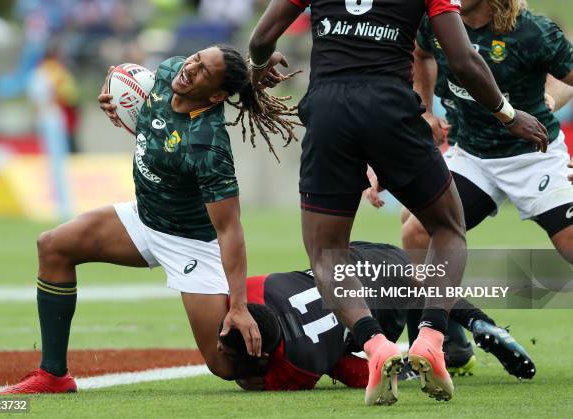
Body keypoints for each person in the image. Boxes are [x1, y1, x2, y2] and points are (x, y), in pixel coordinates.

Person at [248, 0, 548, 404]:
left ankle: (375, 345)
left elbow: (262, 38)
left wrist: (257, 67)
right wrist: (508, 114)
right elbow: (462, 59)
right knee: (447, 228)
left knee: (325, 251)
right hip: (390, 107)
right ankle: (431, 338)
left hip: (328, 110)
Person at [0, 45, 299, 394]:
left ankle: (296, 332)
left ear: (215, 95)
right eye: (196, 58)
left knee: (228, 368)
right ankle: (53, 375)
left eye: (203, 71)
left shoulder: (208, 145)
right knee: (53, 246)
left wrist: (240, 305)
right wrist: (118, 102)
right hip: (144, 217)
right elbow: (152, 118)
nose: (191, 68)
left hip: (190, 244)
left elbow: (229, 229)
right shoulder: (170, 71)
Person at [397, 0, 573, 275]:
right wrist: (426, 111)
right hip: (472, 156)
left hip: (535, 157)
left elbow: (566, 76)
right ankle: (439, 317)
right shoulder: (436, 21)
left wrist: (550, 98)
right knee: (416, 231)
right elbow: (421, 53)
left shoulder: (533, 31)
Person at [216, 241, 534, 391]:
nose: (218, 350)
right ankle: (476, 327)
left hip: (374, 314)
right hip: (363, 259)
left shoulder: (300, 364)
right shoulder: (257, 288)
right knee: (424, 286)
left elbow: (350, 370)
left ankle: (426, 360)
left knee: (378, 358)